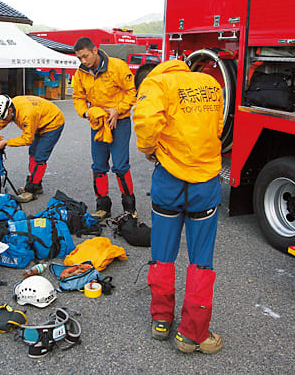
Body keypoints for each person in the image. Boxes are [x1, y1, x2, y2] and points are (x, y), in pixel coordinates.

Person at [133, 60, 224, 354]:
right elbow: (219, 125)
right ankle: (192, 334)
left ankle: (161, 319)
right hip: (205, 182)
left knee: (162, 253)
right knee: (201, 260)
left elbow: (146, 124)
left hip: (169, 180)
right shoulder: (210, 84)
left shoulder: (155, 84)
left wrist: (149, 150)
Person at [72, 37, 136, 220]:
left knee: (120, 166)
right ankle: (102, 206)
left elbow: (131, 91)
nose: (83, 61)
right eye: (80, 58)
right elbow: (78, 97)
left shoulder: (117, 66)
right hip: (98, 123)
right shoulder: (81, 73)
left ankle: (130, 208)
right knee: (99, 166)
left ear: (95, 50)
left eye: (85, 56)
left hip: (119, 122)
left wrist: (118, 109)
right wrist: (86, 113)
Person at [0, 94, 64, 203]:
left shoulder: (27, 115)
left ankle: (31, 191)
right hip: (40, 119)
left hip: (53, 123)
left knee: (40, 156)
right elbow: (0, 122)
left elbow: (27, 139)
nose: (3, 120)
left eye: (4, 117)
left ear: (10, 110)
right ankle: (36, 184)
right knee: (33, 152)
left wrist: (6, 142)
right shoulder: (10, 107)